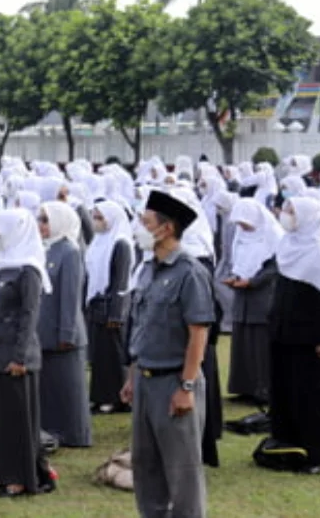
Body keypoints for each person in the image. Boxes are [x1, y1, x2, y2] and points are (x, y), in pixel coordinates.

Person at [121, 190, 215, 518]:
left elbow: (198, 335)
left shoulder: (189, 272)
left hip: (173, 381)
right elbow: (142, 327)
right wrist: (132, 375)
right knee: (146, 468)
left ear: (167, 228)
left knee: (182, 473)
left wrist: (186, 387)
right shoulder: (148, 269)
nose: (139, 228)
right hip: (146, 381)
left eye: (146, 222)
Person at [0, 209, 51, 498]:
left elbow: (29, 315)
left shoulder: (29, 269)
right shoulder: (2, 265)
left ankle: (20, 477)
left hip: (16, 356)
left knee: (17, 420)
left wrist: (20, 357)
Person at [267, 197, 320, 474]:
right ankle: (286, 445)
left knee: (309, 394)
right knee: (283, 390)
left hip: (308, 338)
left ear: (307, 216)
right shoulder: (287, 244)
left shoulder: (318, 250)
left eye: (292, 212)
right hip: (282, 331)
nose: (286, 216)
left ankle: (316, 456)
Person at [37, 201, 92, 447]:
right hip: (46, 329)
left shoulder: (69, 251)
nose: (41, 225)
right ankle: (51, 430)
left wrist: (66, 333)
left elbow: (70, 297)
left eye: (46, 220)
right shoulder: (46, 249)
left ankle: (73, 434)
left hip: (63, 331)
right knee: (51, 386)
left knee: (69, 387)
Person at [224, 198, 281, 405]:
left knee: (260, 346)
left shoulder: (273, 236)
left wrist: (253, 282)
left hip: (262, 297)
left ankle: (263, 390)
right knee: (242, 344)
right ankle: (243, 387)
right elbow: (238, 261)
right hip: (242, 298)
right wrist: (235, 277)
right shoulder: (241, 236)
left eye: (245, 222)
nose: (242, 227)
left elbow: (274, 268)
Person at [83, 200, 133, 414]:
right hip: (97, 304)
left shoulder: (121, 243)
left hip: (111, 307)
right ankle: (99, 395)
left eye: (100, 217)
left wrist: (116, 313)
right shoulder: (99, 241)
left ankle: (116, 398)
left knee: (113, 354)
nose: (96, 222)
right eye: (94, 217)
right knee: (99, 355)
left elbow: (121, 281)